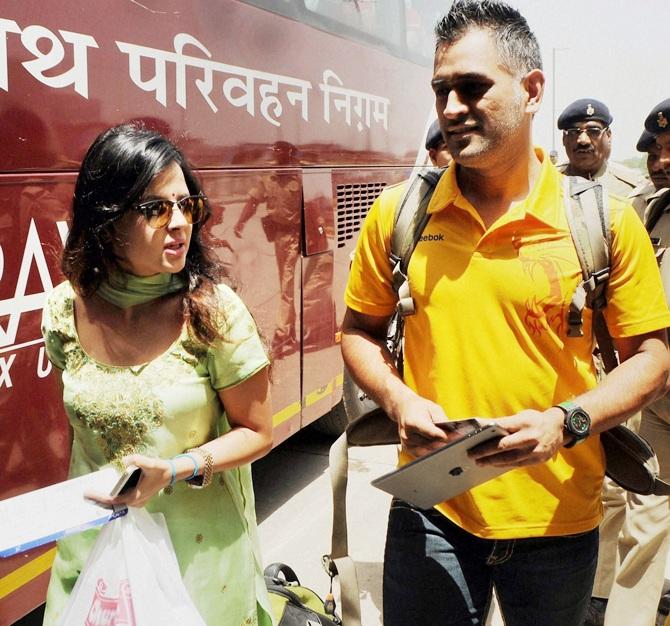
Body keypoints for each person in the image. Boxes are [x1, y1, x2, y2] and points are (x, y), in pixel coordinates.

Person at [341, 2, 670, 626]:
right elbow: (358, 332)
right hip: (432, 512)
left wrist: (565, 422)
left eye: (473, 87)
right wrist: (398, 400)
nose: (452, 107)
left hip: (560, 520)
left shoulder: (602, 220)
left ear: (532, 89)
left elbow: (653, 359)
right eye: (442, 90)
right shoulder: (399, 216)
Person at [40, 123, 274, 625]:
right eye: (156, 209)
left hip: (197, 566)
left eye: (187, 206)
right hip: (92, 553)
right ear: (108, 218)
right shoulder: (64, 310)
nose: (180, 223)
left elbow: (257, 432)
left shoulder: (212, 312)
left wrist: (175, 469)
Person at [586, 101, 670, 626]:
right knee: (646, 514)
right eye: (656, 152)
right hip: (659, 394)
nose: (660, 162)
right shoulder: (655, 211)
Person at [234, 141, 301, 358]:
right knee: (285, 283)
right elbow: (253, 201)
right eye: (276, 153)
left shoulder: (298, 178)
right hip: (278, 237)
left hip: (294, 237)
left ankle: (281, 335)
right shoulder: (268, 179)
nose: (278, 156)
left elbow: (312, 205)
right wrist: (241, 222)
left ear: (289, 155)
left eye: (282, 153)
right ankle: (291, 332)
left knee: (287, 283)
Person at [557, 98, 641, 197]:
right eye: (574, 132)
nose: (583, 140)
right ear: (564, 138)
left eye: (593, 131)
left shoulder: (632, 190)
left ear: (608, 136)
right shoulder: (548, 181)